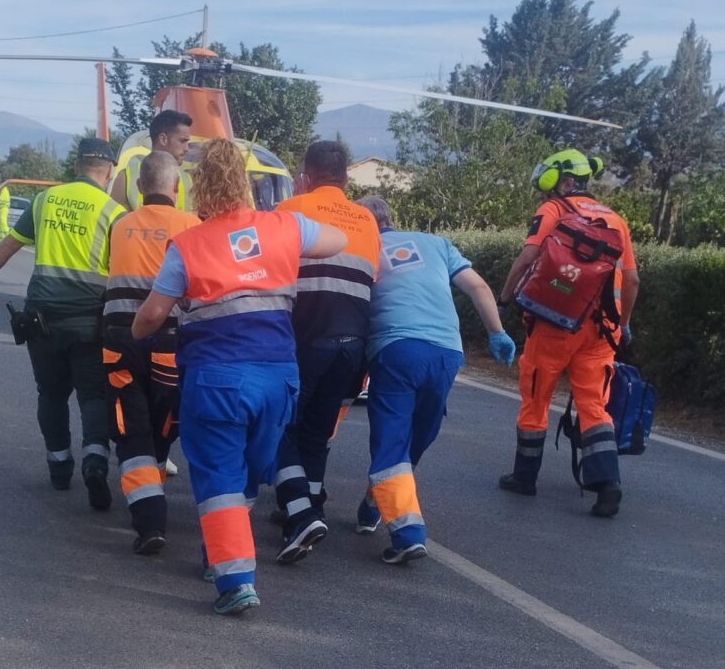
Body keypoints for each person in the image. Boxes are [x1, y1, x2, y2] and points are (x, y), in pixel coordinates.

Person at [132, 138, 347, 616]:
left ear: (199, 185)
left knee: (220, 475)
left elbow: (152, 314)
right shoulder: (285, 226)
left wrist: (137, 330)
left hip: (216, 379)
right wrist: (283, 247)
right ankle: (217, 551)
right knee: (249, 470)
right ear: (248, 185)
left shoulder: (188, 245)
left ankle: (234, 581)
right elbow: (338, 241)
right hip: (277, 378)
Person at [0, 138, 126, 510]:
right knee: (93, 395)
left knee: (51, 394)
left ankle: (59, 466)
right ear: (110, 171)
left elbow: (9, 244)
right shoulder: (113, 211)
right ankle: (96, 462)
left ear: (77, 165)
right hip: (89, 321)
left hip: (42, 319)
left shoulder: (44, 200)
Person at [352, 195, 516, 565]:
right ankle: (374, 503)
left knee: (391, 441)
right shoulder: (436, 244)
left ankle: (407, 532)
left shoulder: (363, 247)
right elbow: (478, 287)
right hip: (446, 351)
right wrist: (496, 332)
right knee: (419, 434)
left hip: (396, 348)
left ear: (362, 222)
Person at [496, 149, 639, 517]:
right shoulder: (616, 220)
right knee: (594, 405)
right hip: (602, 331)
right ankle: (608, 485)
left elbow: (528, 258)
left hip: (554, 324)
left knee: (536, 398)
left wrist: (505, 297)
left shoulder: (553, 211)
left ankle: (524, 477)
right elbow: (633, 279)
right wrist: (623, 325)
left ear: (563, 181)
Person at [270, 141, 382, 565]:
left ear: (306, 173)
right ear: (346, 177)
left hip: (305, 338)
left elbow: (272, 271)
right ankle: (310, 506)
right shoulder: (367, 219)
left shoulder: (291, 208)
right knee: (317, 432)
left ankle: (299, 511)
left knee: (280, 426)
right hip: (353, 345)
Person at [102, 151, 201, 554]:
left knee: (131, 429)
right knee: (163, 423)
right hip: (169, 345)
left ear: (139, 187)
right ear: (177, 188)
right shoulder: (193, 228)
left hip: (120, 342)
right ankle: (154, 481)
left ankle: (149, 521)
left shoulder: (120, 223)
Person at [111, 110, 194, 212]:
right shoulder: (127, 178)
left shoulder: (188, 180)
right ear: (163, 139)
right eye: (182, 141)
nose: (186, 148)